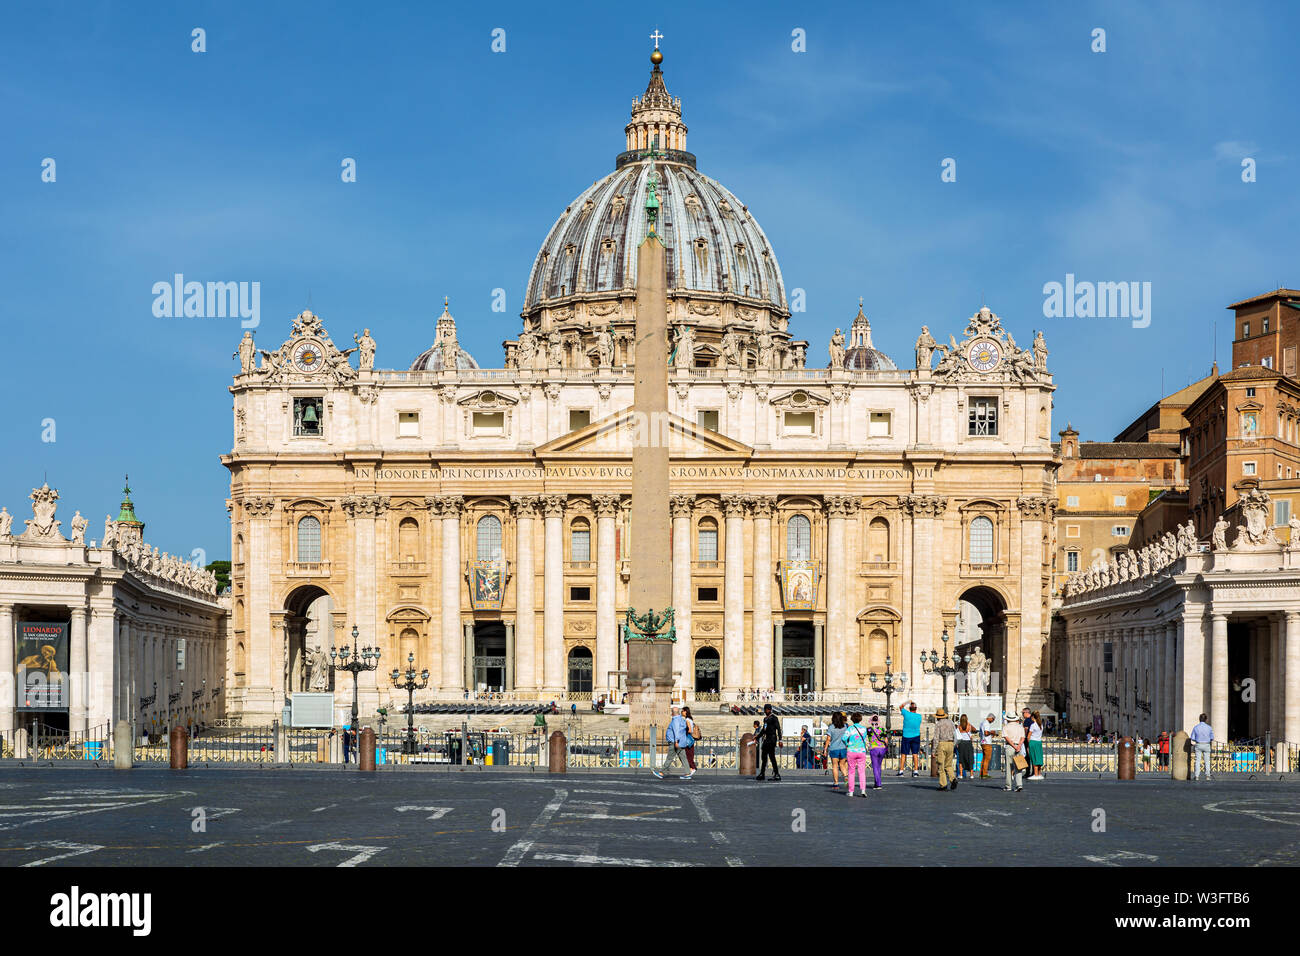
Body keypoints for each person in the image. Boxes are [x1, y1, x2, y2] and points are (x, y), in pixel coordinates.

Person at [653, 705, 694, 779]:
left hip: (675, 742)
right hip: (682, 742)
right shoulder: (682, 719)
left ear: (672, 713)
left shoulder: (675, 720)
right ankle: (688, 773)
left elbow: (676, 732)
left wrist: (676, 742)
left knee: (670, 758)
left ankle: (661, 772)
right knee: (683, 758)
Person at [842, 712, 870, 797]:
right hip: (861, 751)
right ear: (860, 719)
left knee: (851, 772)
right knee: (861, 772)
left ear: (852, 719)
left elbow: (843, 738)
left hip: (851, 751)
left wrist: (847, 744)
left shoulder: (850, 729)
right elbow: (864, 738)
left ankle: (851, 791)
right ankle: (863, 790)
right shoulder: (864, 729)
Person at [755, 703, 782, 781]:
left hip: (772, 739)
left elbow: (778, 729)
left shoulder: (774, 718)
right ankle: (762, 773)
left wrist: (780, 740)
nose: (766, 711)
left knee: (772, 757)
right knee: (764, 757)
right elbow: (764, 730)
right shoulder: (765, 719)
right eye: (765, 709)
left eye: (767, 709)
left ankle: (777, 774)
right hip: (767, 740)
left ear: (770, 710)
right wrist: (757, 737)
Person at [1001, 711, 1027, 792]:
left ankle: (1008, 786)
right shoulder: (1020, 727)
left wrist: (1014, 746)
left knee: (1009, 767)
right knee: (1018, 766)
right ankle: (1019, 784)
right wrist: (1019, 746)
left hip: (1010, 747)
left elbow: (1007, 738)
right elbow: (1023, 737)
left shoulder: (1006, 727)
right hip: (1018, 747)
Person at [823, 711, 848, 790]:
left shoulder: (831, 727)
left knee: (835, 766)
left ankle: (836, 783)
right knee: (842, 765)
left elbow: (828, 739)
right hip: (843, 748)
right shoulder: (845, 726)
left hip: (834, 748)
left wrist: (825, 749)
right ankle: (846, 777)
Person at [896, 700, 922, 777]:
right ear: (916, 708)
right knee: (915, 754)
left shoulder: (906, 714)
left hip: (906, 736)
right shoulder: (919, 716)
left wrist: (908, 702)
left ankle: (901, 771)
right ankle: (916, 771)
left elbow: (901, 707)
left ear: (910, 708)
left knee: (904, 754)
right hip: (916, 736)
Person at [933, 708, 957, 791]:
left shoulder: (938, 724)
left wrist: (933, 750)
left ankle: (943, 784)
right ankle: (953, 778)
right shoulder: (951, 722)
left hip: (942, 744)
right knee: (948, 765)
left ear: (938, 717)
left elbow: (936, 738)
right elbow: (955, 734)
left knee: (941, 766)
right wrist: (953, 744)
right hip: (950, 743)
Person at [1190, 713, 1214, 781]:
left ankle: (1197, 776)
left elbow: (1192, 738)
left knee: (1197, 760)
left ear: (1199, 719)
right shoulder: (1209, 727)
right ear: (1206, 719)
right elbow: (1212, 738)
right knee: (1207, 761)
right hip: (1206, 744)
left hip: (1198, 744)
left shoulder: (1196, 727)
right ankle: (1207, 776)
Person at [867, 715, 888, 790]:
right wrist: (886, 748)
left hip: (874, 748)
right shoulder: (882, 729)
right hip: (882, 748)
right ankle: (876, 783)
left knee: (875, 767)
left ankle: (878, 784)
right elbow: (886, 739)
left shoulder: (869, 730)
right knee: (879, 766)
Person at [955, 714, 975, 781]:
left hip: (961, 743)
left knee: (961, 759)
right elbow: (974, 730)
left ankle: (960, 774)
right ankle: (971, 775)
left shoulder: (959, 726)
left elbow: (957, 735)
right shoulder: (969, 725)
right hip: (968, 743)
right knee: (970, 758)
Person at [681, 706, 700, 775]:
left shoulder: (687, 720)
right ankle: (691, 769)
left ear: (686, 712)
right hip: (690, 739)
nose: (681, 712)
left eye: (682, 711)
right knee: (689, 754)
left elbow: (689, 730)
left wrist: (683, 731)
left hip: (687, 738)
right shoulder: (690, 719)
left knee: (687, 755)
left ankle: (693, 768)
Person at [1027, 711, 1045, 780]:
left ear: (1033, 717)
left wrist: (1028, 745)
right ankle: (1039, 774)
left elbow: (1029, 736)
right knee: (1039, 758)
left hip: (1033, 742)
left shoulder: (1033, 725)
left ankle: (1035, 774)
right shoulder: (1041, 725)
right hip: (1039, 742)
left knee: (1034, 758)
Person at [978, 713, 997, 778]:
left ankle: (982, 773)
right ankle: (985, 774)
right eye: (993, 720)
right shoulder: (986, 723)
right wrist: (992, 732)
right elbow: (986, 733)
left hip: (983, 742)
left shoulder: (982, 723)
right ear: (991, 718)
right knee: (987, 759)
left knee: (984, 758)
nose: (993, 721)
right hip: (987, 743)